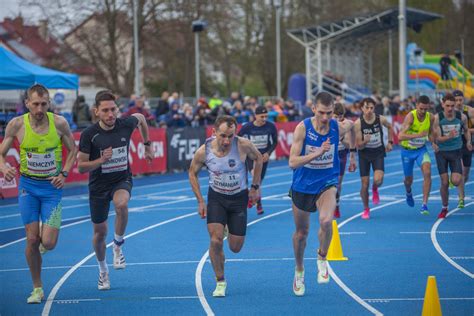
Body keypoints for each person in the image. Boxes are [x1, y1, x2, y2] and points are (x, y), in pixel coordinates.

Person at [0, 84, 77, 304]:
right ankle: (37, 288)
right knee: (32, 239)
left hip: (52, 190)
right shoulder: (16, 125)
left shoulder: (59, 123)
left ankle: (44, 239)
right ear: (27, 104)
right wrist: (4, 167)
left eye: (44, 104)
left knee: (49, 243)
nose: (40, 109)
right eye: (35, 104)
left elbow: (72, 150)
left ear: (49, 103)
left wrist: (64, 173)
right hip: (28, 188)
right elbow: (1, 154)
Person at [77, 90, 154, 290]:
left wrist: (147, 145)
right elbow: (81, 167)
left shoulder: (126, 124)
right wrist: (101, 160)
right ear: (96, 112)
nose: (110, 114)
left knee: (122, 204)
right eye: (105, 110)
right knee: (99, 233)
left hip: (121, 179)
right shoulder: (89, 135)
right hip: (98, 186)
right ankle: (103, 271)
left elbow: (142, 119)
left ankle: (118, 245)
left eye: (113, 109)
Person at [188, 115, 263, 297]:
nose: (227, 140)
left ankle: (228, 229)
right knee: (215, 240)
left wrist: (255, 187)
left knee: (235, 247)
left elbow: (259, 159)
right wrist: (200, 201)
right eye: (222, 136)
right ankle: (220, 280)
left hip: (238, 199)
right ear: (213, 132)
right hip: (217, 199)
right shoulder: (203, 151)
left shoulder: (243, 145)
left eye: (230, 135)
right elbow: (192, 173)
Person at [288, 92, 353, 296]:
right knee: (301, 234)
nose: (325, 117)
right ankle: (299, 270)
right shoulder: (302, 128)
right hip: (303, 185)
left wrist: (352, 149)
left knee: (326, 221)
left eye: (330, 113)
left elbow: (353, 124)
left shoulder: (338, 126)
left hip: (327, 182)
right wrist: (317, 153)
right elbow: (292, 162)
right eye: (322, 112)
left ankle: (322, 257)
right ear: (314, 108)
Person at [432, 93, 472, 218]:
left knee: (455, 181)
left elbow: (466, 130)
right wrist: (435, 143)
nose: (450, 109)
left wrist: (469, 141)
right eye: (447, 106)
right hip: (442, 152)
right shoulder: (437, 118)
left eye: (452, 106)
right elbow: (436, 137)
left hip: (456, 151)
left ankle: (453, 181)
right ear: (443, 104)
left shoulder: (462, 117)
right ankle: (444, 207)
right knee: (444, 183)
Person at [354, 97, 394, 219]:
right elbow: (358, 146)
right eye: (367, 108)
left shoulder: (380, 119)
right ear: (362, 108)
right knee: (364, 184)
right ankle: (366, 209)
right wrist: (364, 142)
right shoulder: (358, 124)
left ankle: (375, 188)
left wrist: (390, 142)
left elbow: (390, 126)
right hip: (364, 155)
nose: (370, 110)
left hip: (378, 153)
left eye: (372, 108)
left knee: (378, 180)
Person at [398, 95, 435, 214]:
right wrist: (417, 135)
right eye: (421, 109)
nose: (423, 112)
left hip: (421, 150)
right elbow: (400, 136)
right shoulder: (410, 117)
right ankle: (408, 191)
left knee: (428, 172)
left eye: (426, 109)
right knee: (408, 180)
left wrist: (433, 142)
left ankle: (424, 204)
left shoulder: (431, 117)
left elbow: (430, 133)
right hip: (407, 151)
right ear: (416, 106)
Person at [238, 105, 278, 215]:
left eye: (266, 116)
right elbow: (238, 138)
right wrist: (244, 150)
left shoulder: (271, 126)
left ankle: (252, 198)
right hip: (251, 156)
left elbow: (275, 142)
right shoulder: (247, 127)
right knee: (256, 177)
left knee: (258, 181)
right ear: (255, 116)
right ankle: (258, 202)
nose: (264, 119)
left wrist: (268, 153)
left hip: (263, 158)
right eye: (262, 117)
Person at [333, 102, 357, 218]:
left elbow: (349, 145)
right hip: (328, 154)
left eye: (340, 116)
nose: (338, 119)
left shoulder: (346, 124)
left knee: (338, 183)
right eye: (335, 117)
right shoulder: (327, 123)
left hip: (341, 154)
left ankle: (336, 204)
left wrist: (341, 138)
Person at [453, 90, 474, 208]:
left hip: (467, 143)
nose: (458, 103)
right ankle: (461, 198)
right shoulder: (449, 112)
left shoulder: (470, 111)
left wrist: (464, 130)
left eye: (460, 100)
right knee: (459, 171)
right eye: (456, 100)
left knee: (465, 174)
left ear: (464, 99)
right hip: (454, 144)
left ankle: (461, 185)